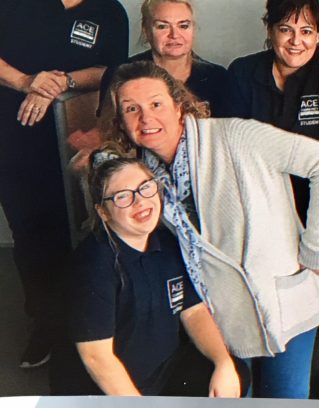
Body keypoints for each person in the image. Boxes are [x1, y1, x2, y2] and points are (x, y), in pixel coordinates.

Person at [101, 61, 319, 399]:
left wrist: (314, 247)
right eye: (131, 109)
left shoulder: (235, 135)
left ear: (178, 105)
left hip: (282, 297)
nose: (146, 118)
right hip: (221, 314)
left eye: (156, 103)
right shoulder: (142, 174)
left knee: (286, 399)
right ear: (120, 121)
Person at [0, 0, 129, 368]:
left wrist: (58, 82)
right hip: (12, 133)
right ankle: (45, 324)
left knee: (75, 229)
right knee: (29, 231)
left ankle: (82, 325)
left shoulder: (110, 12)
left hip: (74, 134)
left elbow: (112, 71)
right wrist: (26, 82)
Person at [227, 0, 319, 399]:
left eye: (306, 31)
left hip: (317, 200)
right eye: (286, 29)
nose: (296, 41)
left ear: (318, 35)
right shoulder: (242, 72)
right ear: (269, 30)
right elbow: (231, 149)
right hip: (258, 202)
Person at [50, 156, 248, 397]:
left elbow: (193, 311)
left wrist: (222, 362)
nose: (140, 201)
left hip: (161, 374)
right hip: (106, 390)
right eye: (123, 196)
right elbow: (97, 358)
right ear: (103, 212)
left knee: (234, 373)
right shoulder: (93, 264)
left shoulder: (166, 243)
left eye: (145, 187)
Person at [99, 0, 228, 115]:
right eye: (162, 26)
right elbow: (107, 125)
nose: (174, 35)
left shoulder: (217, 77)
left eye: (183, 26)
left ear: (193, 29)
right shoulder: (121, 73)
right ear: (146, 30)